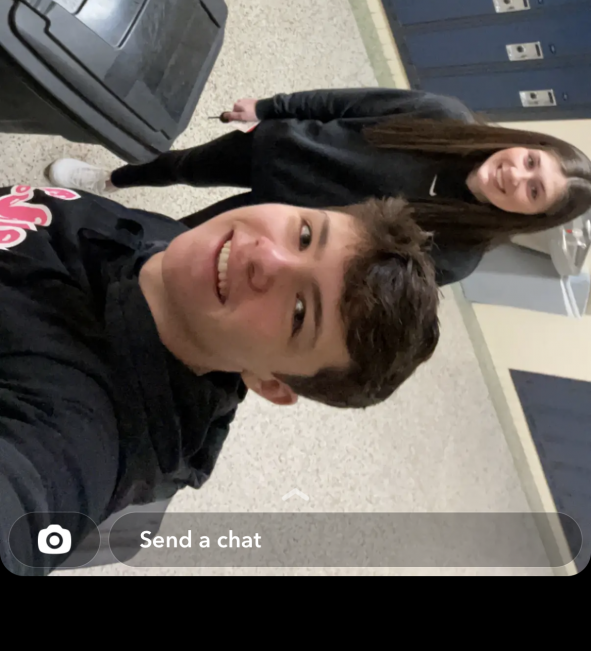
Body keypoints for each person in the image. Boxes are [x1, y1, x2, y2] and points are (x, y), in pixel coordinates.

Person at [0, 183, 438, 575]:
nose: (265, 256)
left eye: (300, 312)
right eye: (305, 236)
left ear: (270, 384)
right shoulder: (175, 246)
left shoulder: (85, 430)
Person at [49, 86, 591, 287]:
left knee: (176, 242)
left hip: (278, 229)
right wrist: (269, 108)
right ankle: (113, 178)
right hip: (276, 150)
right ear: (525, 144)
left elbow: (362, 278)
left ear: (528, 217)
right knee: (183, 167)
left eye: (533, 191)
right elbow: (344, 103)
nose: (516, 175)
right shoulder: (444, 116)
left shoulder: (457, 255)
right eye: (530, 161)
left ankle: (85, 243)